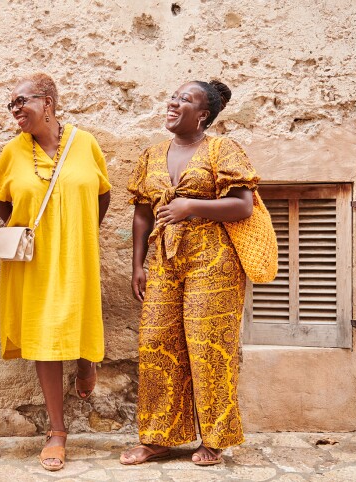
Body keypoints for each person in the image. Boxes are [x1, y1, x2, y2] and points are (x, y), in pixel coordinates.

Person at [120, 80, 257, 466]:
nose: (173, 102)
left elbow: (243, 205)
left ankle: (214, 440)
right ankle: (158, 437)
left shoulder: (222, 149)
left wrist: (190, 206)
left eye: (186, 100)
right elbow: (143, 213)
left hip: (214, 260)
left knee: (209, 347)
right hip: (164, 259)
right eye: (174, 96)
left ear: (203, 115)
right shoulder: (152, 154)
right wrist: (137, 264)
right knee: (157, 345)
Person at [0, 72, 111, 471]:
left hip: (77, 251)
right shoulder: (12, 152)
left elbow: (102, 196)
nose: (15, 110)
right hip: (35, 259)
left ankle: (85, 361)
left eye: (20, 101)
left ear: (47, 102)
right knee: (44, 335)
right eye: (10, 105)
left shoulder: (86, 144)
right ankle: (57, 432)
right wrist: (36, 230)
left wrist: (76, 231)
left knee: (75, 320)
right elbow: (3, 205)